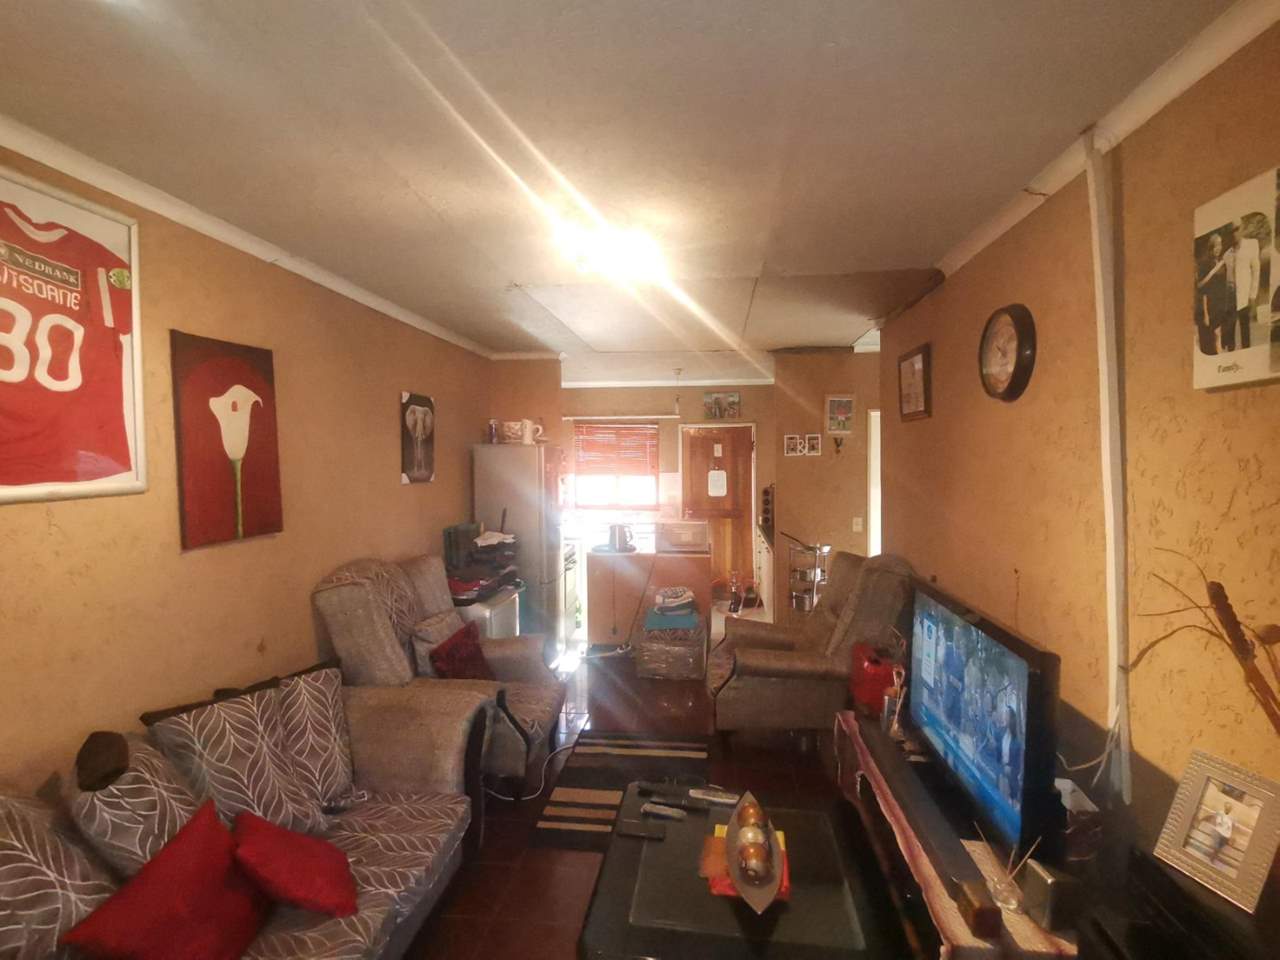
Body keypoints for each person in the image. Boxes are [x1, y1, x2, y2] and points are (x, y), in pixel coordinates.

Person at [1222, 222, 1261, 351]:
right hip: (1230, 299)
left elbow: (1256, 271)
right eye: (1231, 231)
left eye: (1237, 229)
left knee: (1245, 330)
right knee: (1230, 331)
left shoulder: (1251, 245)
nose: (1234, 233)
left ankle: (1246, 356)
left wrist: (1252, 295)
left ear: (1242, 229)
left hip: (1245, 297)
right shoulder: (1227, 255)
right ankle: (1231, 356)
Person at [1195, 233, 1229, 354]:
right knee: (1211, 340)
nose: (1218, 248)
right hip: (1209, 306)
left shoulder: (1221, 263)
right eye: (1216, 245)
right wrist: (1205, 313)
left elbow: (1223, 285)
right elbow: (1201, 287)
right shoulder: (1204, 263)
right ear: (1211, 247)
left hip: (1220, 306)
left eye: (1220, 245)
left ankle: (1219, 355)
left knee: (1218, 336)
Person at [997, 705, 1023, 804]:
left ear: (1012, 719)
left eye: (1007, 714)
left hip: (1011, 777)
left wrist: (1010, 768)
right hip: (1000, 773)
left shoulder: (1017, 740)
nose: (1004, 716)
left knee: (1010, 802)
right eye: (1004, 714)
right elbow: (998, 754)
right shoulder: (1001, 732)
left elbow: (1018, 764)